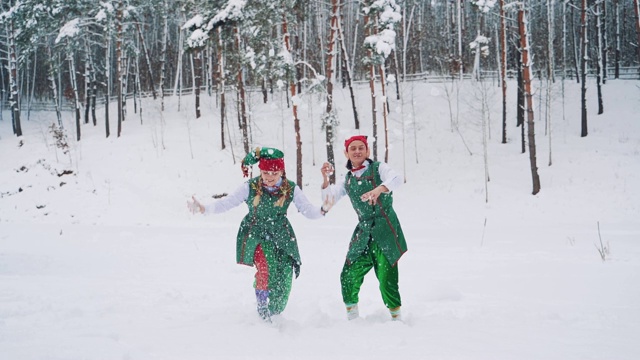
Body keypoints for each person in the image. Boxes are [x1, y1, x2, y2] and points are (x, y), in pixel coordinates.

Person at [188, 147, 329, 321]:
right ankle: (262, 310)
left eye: (274, 172)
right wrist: (205, 209)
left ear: (281, 172)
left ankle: (275, 311)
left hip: (282, 235)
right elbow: (228, 203)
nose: (269, 177)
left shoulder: (291, 188)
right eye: (265, 172)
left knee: (284, 277)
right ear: (260, 171)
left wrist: (322, 209)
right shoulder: (250, 187)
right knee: (266, 269)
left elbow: (308, 211)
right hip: (256, 233)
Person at [320, 135, 408, 321]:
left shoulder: (379, 169)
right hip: (363, 232)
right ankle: (353, 319)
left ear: (367, 151)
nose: (357, 151)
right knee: (348, 274)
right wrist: (326, 180)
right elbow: (328, 201)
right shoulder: (348, 179)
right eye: (353, 148)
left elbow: (397, 179)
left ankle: (396, 319)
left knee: (387, 278)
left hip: (386, 229)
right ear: (347, 153)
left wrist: (379, 190)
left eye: (361, 148)